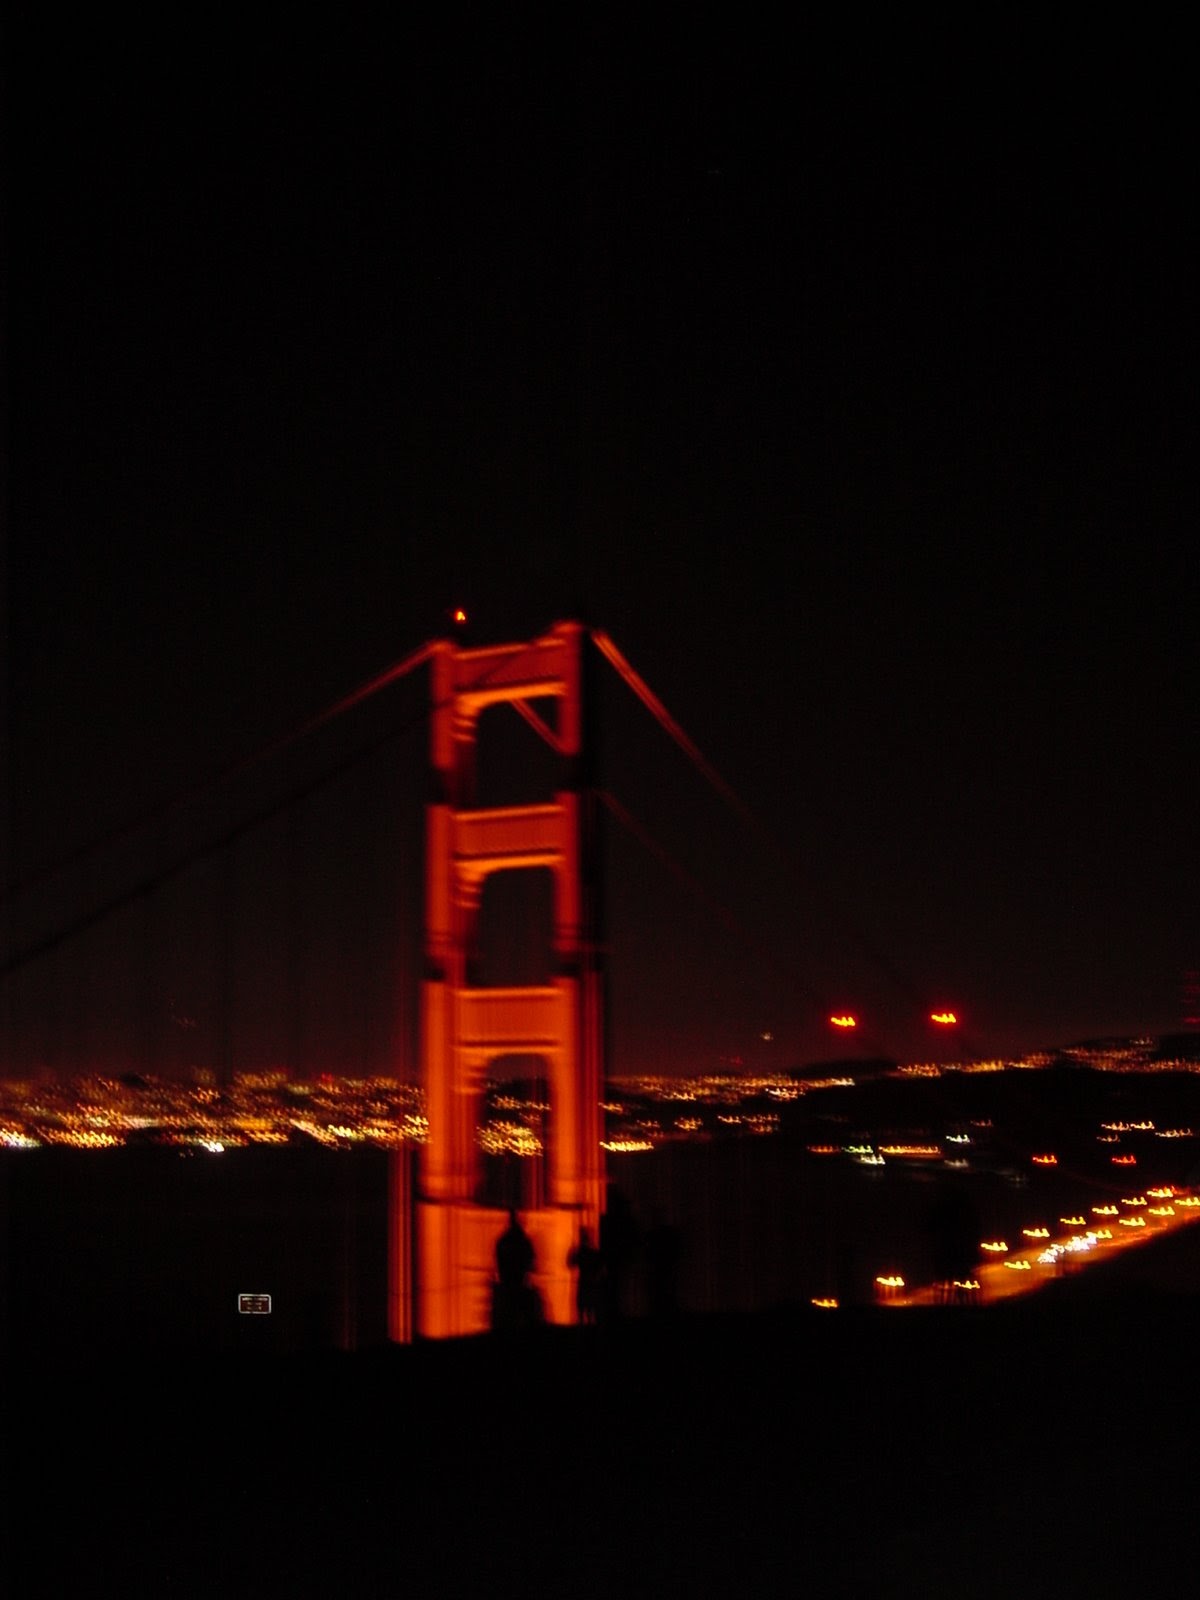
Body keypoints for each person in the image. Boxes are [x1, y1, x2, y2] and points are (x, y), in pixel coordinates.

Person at [567, 1228, 604, 1325]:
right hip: (591, 1283)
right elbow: (602, 1268)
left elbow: (570, 1264)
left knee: (583, 1310)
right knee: (590, 1310)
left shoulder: (582, 1252)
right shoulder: (593, 1252)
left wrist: (572, 1251)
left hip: (584, 1282)